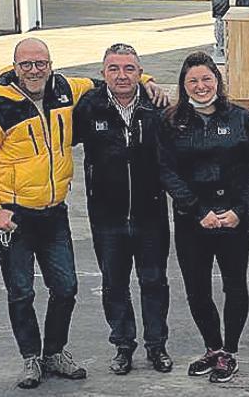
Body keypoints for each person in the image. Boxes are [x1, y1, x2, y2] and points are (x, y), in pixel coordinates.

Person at [0, 38, 166, 389]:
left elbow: (110, 77)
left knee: (66, 288)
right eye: (26, 64)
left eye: (40, 63)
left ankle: (54, 352)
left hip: (54, 212)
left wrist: (147, 78)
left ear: (50, 64)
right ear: (15, 66)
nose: (34, 70)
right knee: (21, 291)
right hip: (12, 216)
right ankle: (31, 358)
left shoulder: (65, 89)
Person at [157, 52, 249, 384]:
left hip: (234, 218)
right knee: (197, 288)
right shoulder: (171, 121)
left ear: (217, 82)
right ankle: (212, 348)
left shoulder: (241, 118)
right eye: (193, 80)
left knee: (234, 285)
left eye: (207, 79)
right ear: (183, 85)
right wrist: (197, 210)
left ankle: (229, 351)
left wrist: (241, 209)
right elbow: (166, 171)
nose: (201, 86)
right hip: (193, 220)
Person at [72, 43, 172, 376]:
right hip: (106, 218)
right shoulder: (89, 107)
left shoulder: (155, 107)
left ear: (140, 73)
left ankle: (157, 347)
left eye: (130, 68)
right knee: (114, 284)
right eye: (114, 68)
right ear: (103, 74)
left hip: (151, 215)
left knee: (154, 282)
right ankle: (123, 347)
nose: (122, 75)